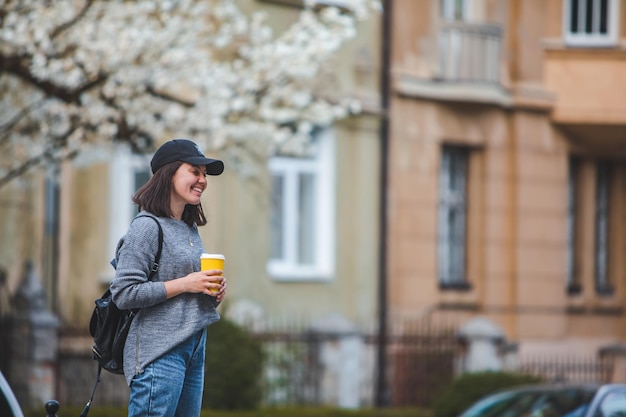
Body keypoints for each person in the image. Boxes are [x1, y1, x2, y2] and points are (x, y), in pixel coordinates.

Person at [110, 138, 227, 417]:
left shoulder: (188, 228)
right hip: (159, 353)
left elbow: (184, 294)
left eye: (204, 174)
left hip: (193, 350)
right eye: (194, 172)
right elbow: (124, 292)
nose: (202, 180)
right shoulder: (146, 227)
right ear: (169, 172)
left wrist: (211, 292)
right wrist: (187, 284)